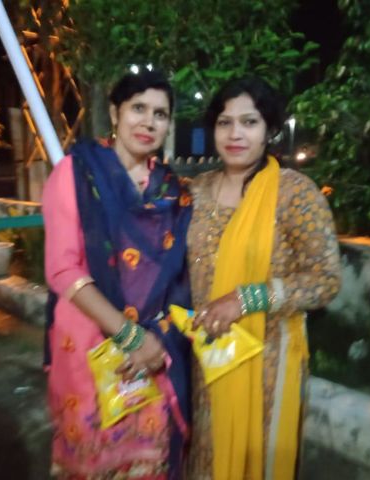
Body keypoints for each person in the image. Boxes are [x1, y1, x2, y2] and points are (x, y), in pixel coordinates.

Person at [186, 77, 342, 480]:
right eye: (224, 122)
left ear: (269, 129)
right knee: (207, 455)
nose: (235, 134)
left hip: (267, 363)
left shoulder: (295, 194)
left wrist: (247, 299)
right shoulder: (196, 191)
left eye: (249, 122)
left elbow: (325, 279)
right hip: (205, 358)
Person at [42, 70, 193, 479]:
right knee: (94, 461)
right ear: (115, 113)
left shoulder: (170, 192)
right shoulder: (75, 173)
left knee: (147, 460)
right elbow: (62, 268)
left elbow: (178, 279)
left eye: (160, 114)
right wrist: (130, 337)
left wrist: (153, 341)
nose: (148, 122)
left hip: (153, 350)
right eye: (138, 108)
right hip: (89, 343)